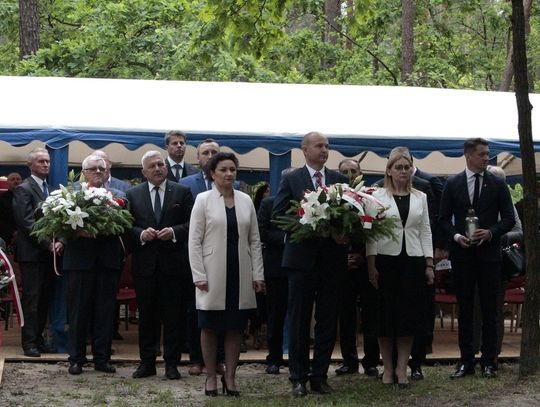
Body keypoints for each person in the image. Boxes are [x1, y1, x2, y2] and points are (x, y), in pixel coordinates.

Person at [272, 131, 349, 397]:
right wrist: (306, 221)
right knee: (299, 320)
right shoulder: (291, 178)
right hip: (301, 261)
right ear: (304, 149)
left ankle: (319, 376)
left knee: (327, 320)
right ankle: (298, 377)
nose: (324, 150)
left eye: (327, 146)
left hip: (332, 261)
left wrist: (343, 232)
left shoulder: (339, 180)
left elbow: (350, 216)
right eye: (319, 146)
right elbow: (278, 214)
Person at [189, 152, 265, 397]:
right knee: (209, 327)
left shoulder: (246, 200)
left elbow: (255, 240)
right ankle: (211, 376)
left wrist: (258, 273)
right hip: (211, 274)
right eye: (223, 169)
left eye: (232, 169)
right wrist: (198, 274)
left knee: (235, 328)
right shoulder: (203, 200)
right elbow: (194, 241)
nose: (228, 174)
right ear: (213, 173)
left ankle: (230, 378)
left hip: (240, 272)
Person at [438, 138, 514, 379]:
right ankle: (466, 360)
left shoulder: (498, 182)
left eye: (487, 154)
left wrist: (491, 232)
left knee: (491, 309)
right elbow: (442, 219)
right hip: (463, 255)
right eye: (482, 154)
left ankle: (489, 361)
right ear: (468, 156)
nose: (486, 158)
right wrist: (457, 236)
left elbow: (509, 219)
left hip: (489, 255)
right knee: (466, 308)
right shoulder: (453, 183)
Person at [366, 150, 433, 388]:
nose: (403, 171)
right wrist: (371, 263)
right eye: (399, 167)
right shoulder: (376, 196)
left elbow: (425, 230)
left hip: (413, 261)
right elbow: (371, 231)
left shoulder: (421, 197)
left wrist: (429, 262)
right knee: (385, 318)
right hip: (385, 260)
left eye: (407, 167)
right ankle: (387, 368)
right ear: (389, 170)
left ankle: (402, 368)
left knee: (408, 318)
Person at [127, 151, 193, 380]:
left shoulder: (182, 191)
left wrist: (174, 232)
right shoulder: (132, 194)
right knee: (147, 317)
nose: (157, 168)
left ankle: (172, 364)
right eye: (152, 166)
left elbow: (192, 223)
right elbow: (127, 226)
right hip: (145, 266)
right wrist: (141, 234)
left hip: (174, 266)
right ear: (143, 172)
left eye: (160, 164)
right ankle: (147, 362)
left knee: (173, 316)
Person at [62, 154, 125, 375]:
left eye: (102, 168)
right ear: (84, 172)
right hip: (79, 262)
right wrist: (77, 229)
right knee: (78, 313)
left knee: (105, 312)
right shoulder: (69, 196)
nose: (98, 172)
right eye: (93, 168)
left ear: (107, 171)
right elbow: (58, 225)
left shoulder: (119, 196)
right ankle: (76, 359)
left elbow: (125, 225)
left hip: (107, 261)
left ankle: (102, 358)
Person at [180, 139, 226, 376]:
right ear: (198, 159)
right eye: (205, 153)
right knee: (194, 309)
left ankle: (218, 359)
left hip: (223, 256)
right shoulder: (186, 184)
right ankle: (196, 359)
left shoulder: (233, 183)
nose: (210, 155)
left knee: (221, 309)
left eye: (214, 152)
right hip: (195, 254)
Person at [471, 165, 522, 367]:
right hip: (475, 260)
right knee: (475, 306)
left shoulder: (507, 203)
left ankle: (493, 352)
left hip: (499, 263)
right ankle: (473, 348)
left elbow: (519, 230)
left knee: (494, 308)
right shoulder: (476, 200)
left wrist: (494, 233)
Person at [12, 149, 61, 358]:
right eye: (41, 161)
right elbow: (26, 222)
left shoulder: (51, 189)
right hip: (33, 253)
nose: (46, 165)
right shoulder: (24, 189)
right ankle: (29, 342)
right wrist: (46, 244)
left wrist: (59, 241)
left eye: (48, 161)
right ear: (30, 165)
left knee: (45, 299)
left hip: (50, 253)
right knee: (32, 299)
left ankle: (39, 339)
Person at [334, 159, 376, 377]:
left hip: (365, 263)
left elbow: (377, 229)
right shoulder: (333, 198)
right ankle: (349, 361)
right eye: (344, 172)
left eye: (353, 171)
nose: (349, 174)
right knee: (346, 315)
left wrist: (361, 255)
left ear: (360, 173)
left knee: (370, 314)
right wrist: (345, 257)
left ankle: (370, 361)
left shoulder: (371, 196)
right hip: (342, 265)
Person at [257, 172, 289, 374]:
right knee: (275, 316)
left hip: (302, 268)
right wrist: (287, 238)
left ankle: (297, 357)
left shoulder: (310, 204)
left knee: (299, 316)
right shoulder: (269, 204)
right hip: (276, 268)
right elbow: (262, 231)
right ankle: (274, 358)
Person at [0, 172, 22, 246]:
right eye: (12, 179)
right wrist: (12, 233)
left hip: (26, 234)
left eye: (18, 179)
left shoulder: (28, 197)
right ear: (8, 182)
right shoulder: (1, 199)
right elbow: (2, 220)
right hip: (8, 236)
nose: (16, 181)